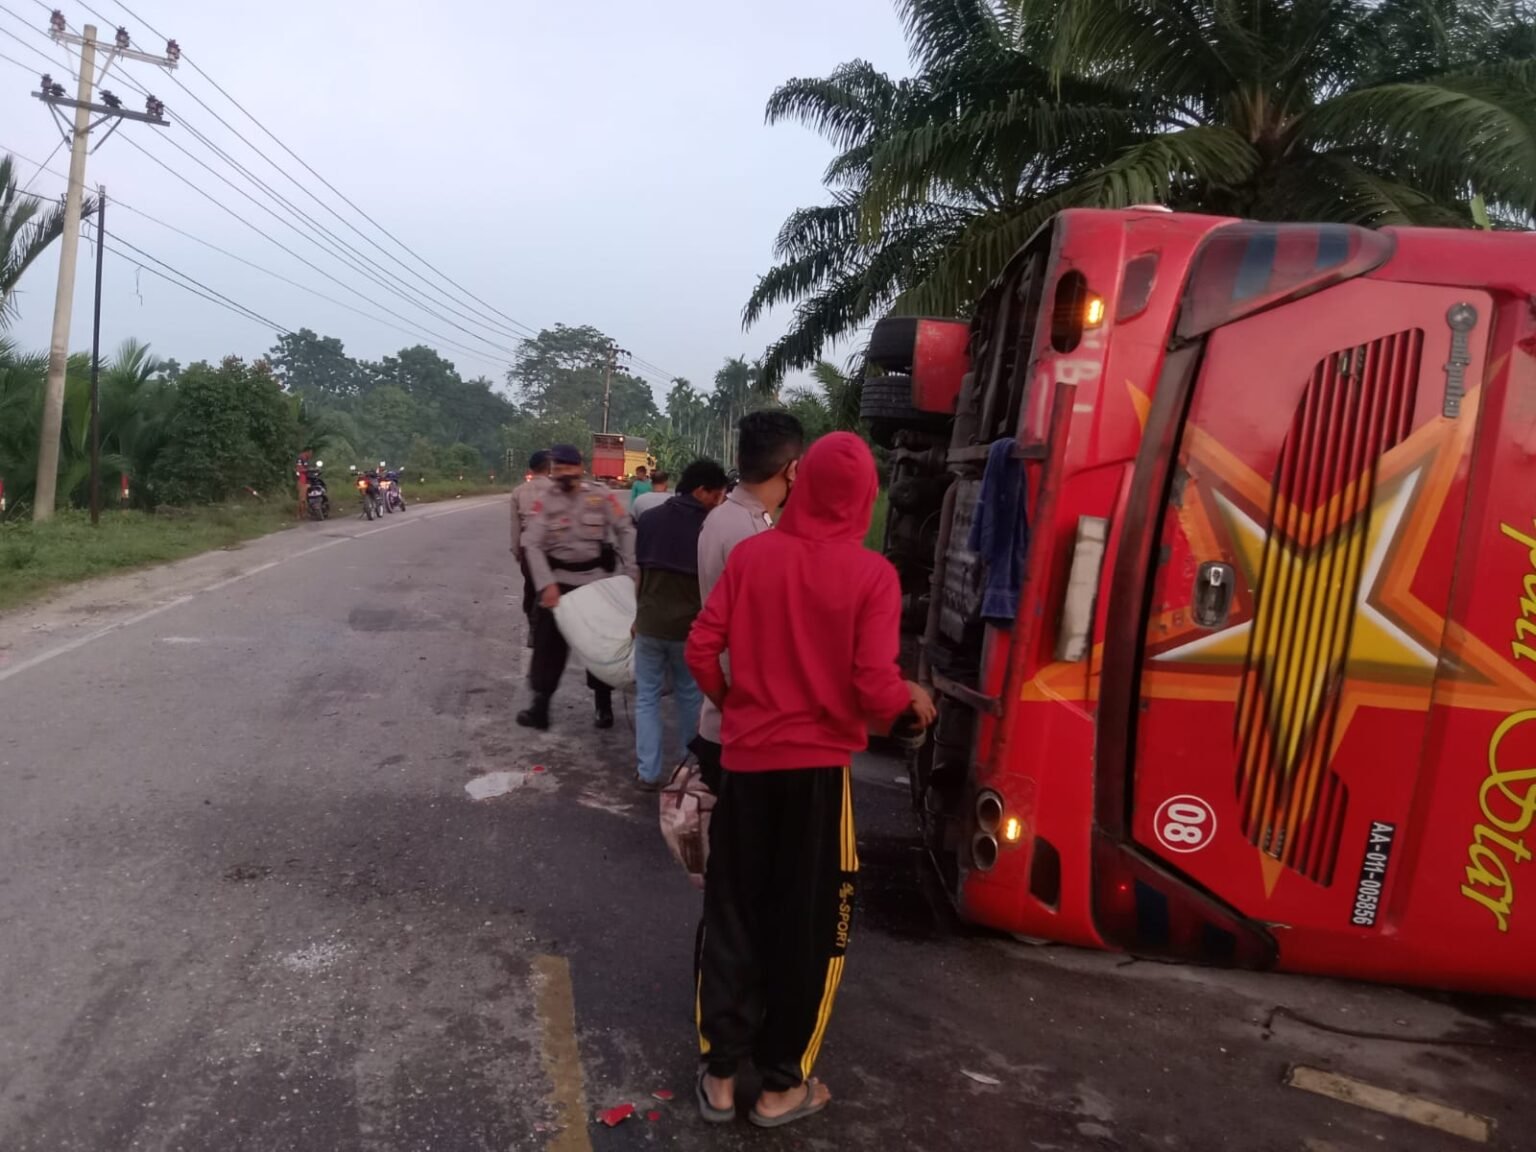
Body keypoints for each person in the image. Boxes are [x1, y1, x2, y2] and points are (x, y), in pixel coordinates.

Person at [685, 432, 935, 1128]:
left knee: (732, 913)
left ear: (803, 482)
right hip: (819, 778)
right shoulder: (872, 576)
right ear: (865, 498)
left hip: (746, 768)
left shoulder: (753, 556)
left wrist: (734, 705)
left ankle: (719, 1076)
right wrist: (909, 701)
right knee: (812, 927)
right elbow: (874, 687)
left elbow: (701, 647)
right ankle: (780, 1086)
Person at [692, 411, 805, 790]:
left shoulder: (724, 517)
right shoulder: (753, 534)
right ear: (792, 469)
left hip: (725, 717)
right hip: (744, 726)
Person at [517, 444, 637, 731]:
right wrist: (545, 584)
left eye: (569, 468)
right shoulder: (545, 500)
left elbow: (625, 529)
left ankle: (603, 705)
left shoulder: (600, 495)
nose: (564, 474)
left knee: (601, 645)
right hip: (558, 583)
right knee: (547, 646)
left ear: (580, 467)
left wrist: (632, 571)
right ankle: (540, 707)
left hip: (595, 583)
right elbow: (531, 543)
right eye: (558, 469)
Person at [632, 460, 729, 791]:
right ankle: (691, 769)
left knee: (646, 697)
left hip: (649, 624)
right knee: (689, 698)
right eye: (716, 495)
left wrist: (636, 617)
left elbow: (640, 573)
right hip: (689, 631)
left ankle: (647, 772)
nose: (719, 501)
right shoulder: (709, 527)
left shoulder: (649, 519)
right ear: (701, 491)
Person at [510, 450, 552, 640]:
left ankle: (533, 627)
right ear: (549, 467)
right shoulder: (556, 489)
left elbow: (515, 525)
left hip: (527, 546)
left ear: (531, 468)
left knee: (531, 586)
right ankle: (544, 628)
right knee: (549, 586)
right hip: (551, 545)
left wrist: (516, 549)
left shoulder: (519, 491)